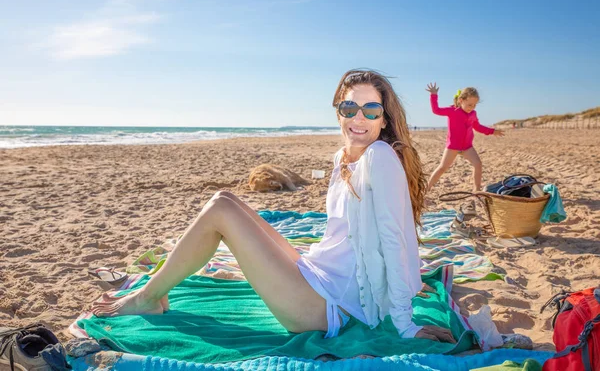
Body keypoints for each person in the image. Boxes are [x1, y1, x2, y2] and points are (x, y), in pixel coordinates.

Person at [91, 70, 456, 343]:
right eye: (349, 107)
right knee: (228, 199)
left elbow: (395, 236)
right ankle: (153, 292)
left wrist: (406, 324)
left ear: (384, 118)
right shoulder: (345, 157)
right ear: (339, 112)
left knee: (220, 209)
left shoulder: (379, 157)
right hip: (319, 273)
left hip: (326, 306)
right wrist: (412, 281)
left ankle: (149, 296)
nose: (358, 117)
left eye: (370, 109)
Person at [425, 82, 504, 195]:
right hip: (453, 147)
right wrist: (433, 95)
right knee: (442, 168)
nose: (471, 108)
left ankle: (476, 190)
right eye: (469, 105)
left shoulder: (473, 114)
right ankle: (427, 188)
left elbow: (477, 127)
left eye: (474, 105)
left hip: (467, 147)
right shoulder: (452, 111)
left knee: (478, 164)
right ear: (461, 100)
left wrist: (492, 131)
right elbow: (436, 110)